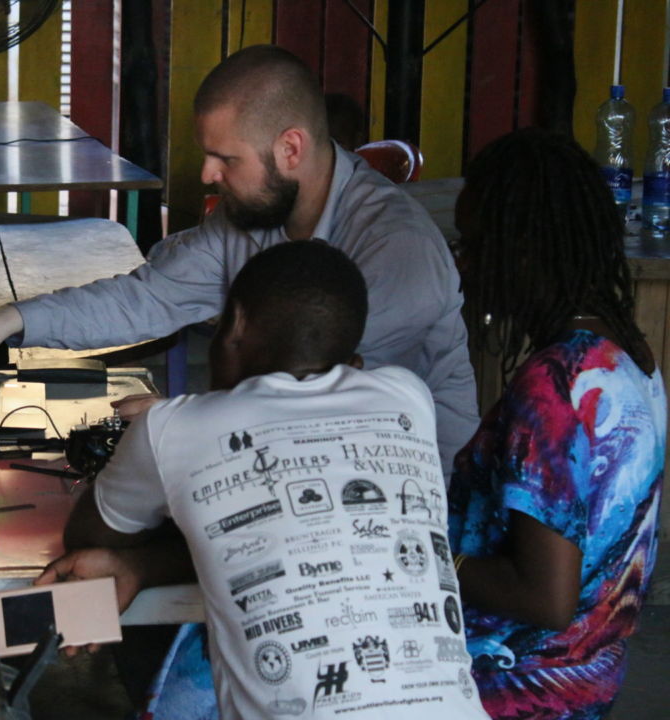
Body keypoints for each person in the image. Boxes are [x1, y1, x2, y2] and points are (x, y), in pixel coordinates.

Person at [0, 44, 478, 477]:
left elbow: (319, 395)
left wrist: (185, 418)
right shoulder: (251, 219)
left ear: (290, 148)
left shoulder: (399, 249)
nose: (206, 174)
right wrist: (9, 321)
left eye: (225, 158)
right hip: (292, 471)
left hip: (420, 495)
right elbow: (146, 298)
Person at [38, 240, 490, 720]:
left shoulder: (172, 428)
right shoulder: (408, 398)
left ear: (233, 325)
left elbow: (91, 537)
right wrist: (144, 567)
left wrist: (157, 443)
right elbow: (295, 536)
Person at [447, 129, 667, 719]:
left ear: (522, 250)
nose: (463, 264)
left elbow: (544, 596)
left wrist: (421, 554)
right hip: (586, 680)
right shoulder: (625, 355)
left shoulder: (555, 386)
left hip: (509, 688)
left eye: (473, 245)